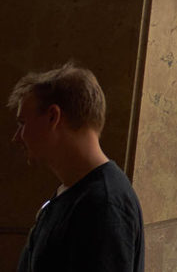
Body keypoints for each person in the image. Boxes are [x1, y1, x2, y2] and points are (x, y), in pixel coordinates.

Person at [9, 63, 145, 272]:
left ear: (53, 117)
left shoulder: (104, 205)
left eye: (22, 123)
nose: (17, 138)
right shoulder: (77, 191)